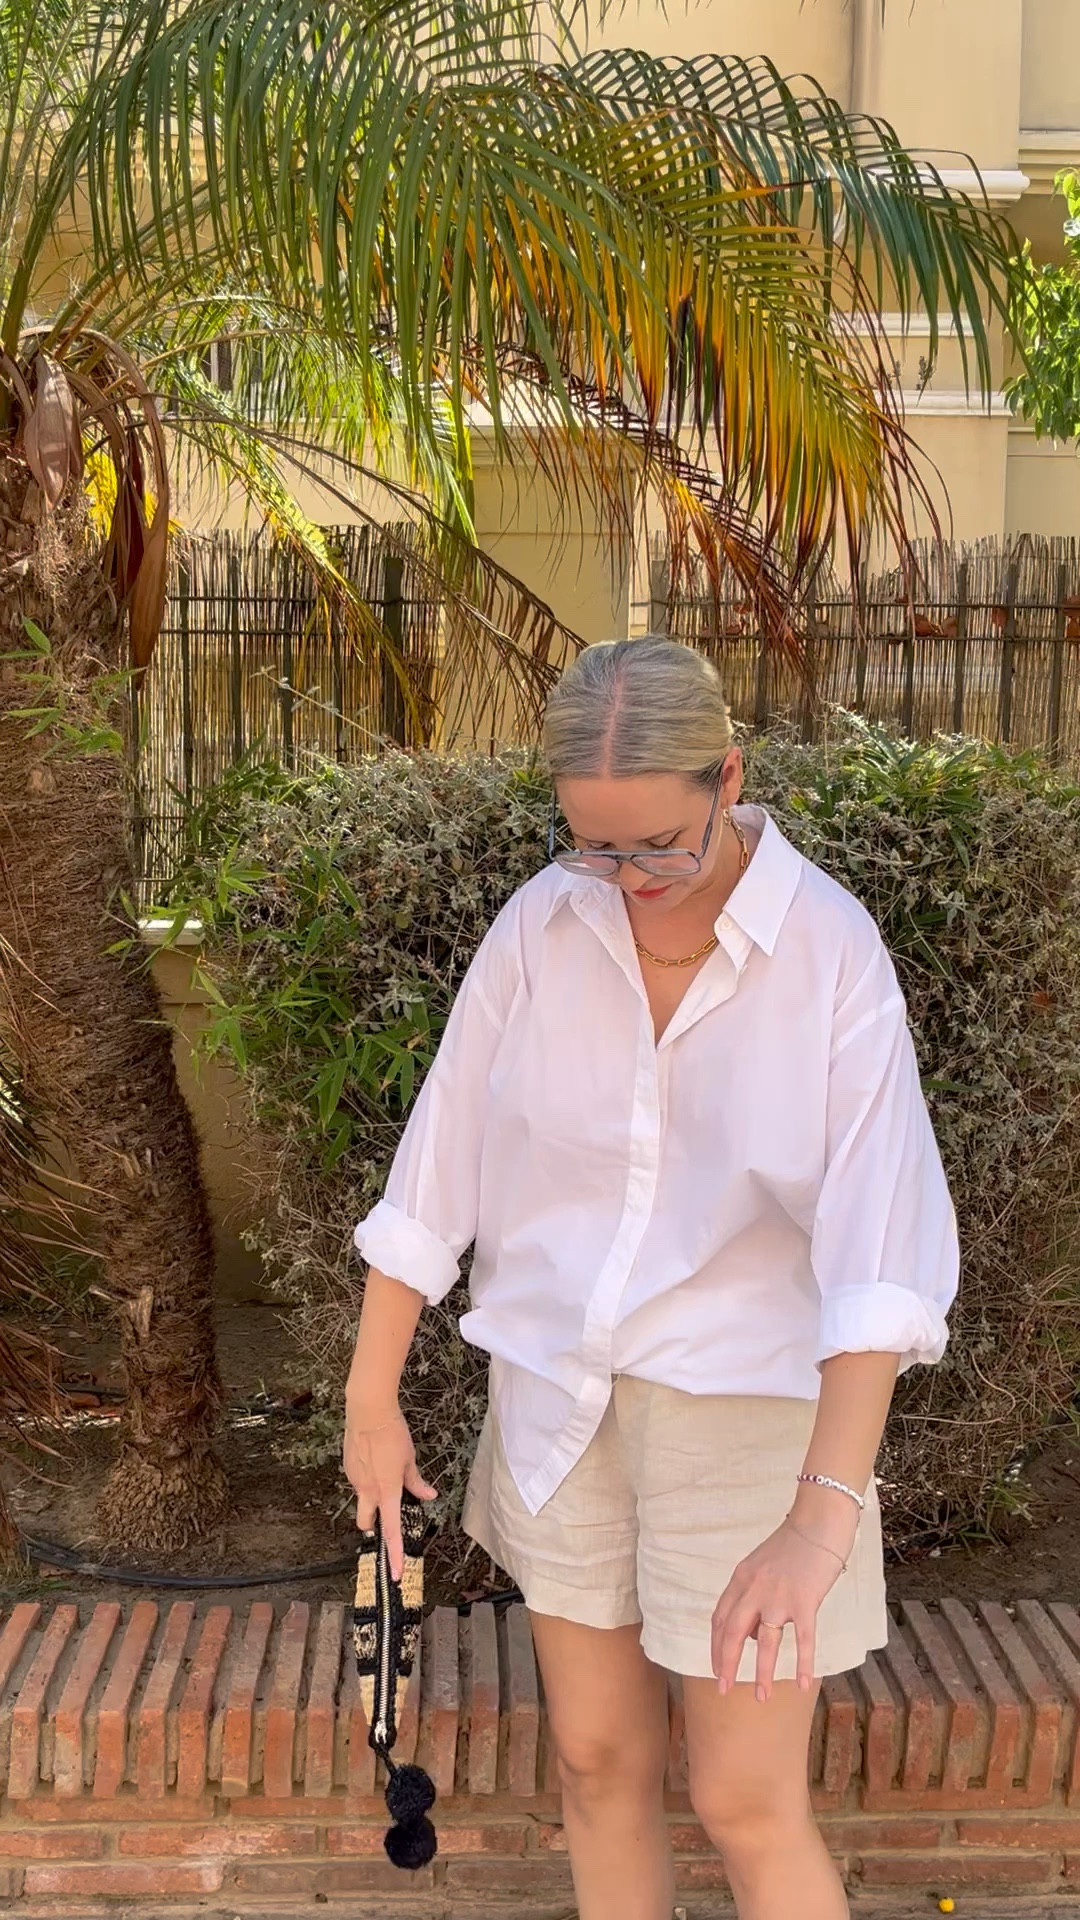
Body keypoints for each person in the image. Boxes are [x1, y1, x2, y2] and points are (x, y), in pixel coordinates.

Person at [345, 637, 958, 1920]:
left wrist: (819, 1520)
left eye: (661, 847)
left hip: (749, 1423)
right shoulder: (540, 926)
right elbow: (438, 1164)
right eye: (595, 847)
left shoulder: (831, 958)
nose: (627, 883)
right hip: (560, 1404)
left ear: (731, 776)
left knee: (745, 1802)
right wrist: (371, 1395)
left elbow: (877, 1258)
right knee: (595, 1763)